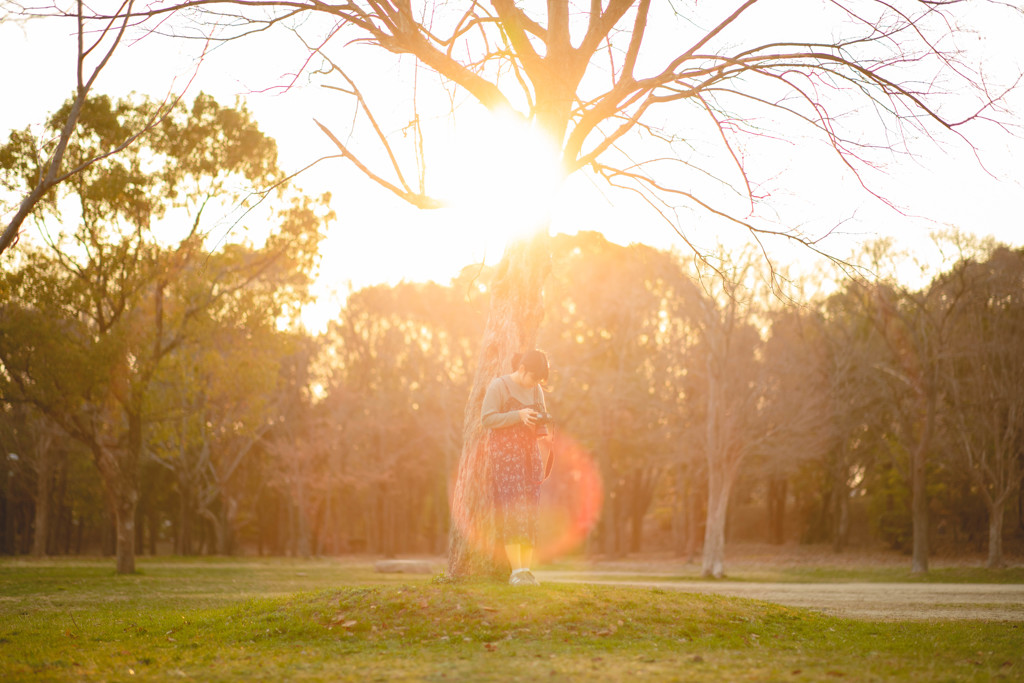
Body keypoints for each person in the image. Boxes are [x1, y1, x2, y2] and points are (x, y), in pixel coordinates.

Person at [481, 349, 553, 586]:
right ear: (522, 369)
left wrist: (543, 425)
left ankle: (527, 572)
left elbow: (539, 417)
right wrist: (518, 414)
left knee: (530, 511)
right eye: (533, 377)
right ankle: (516, 572)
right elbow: (487, 419)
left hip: (530, 456)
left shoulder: (536, 389)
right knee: (513, 510)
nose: (535, 383)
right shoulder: (499, 387)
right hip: (505, 457)